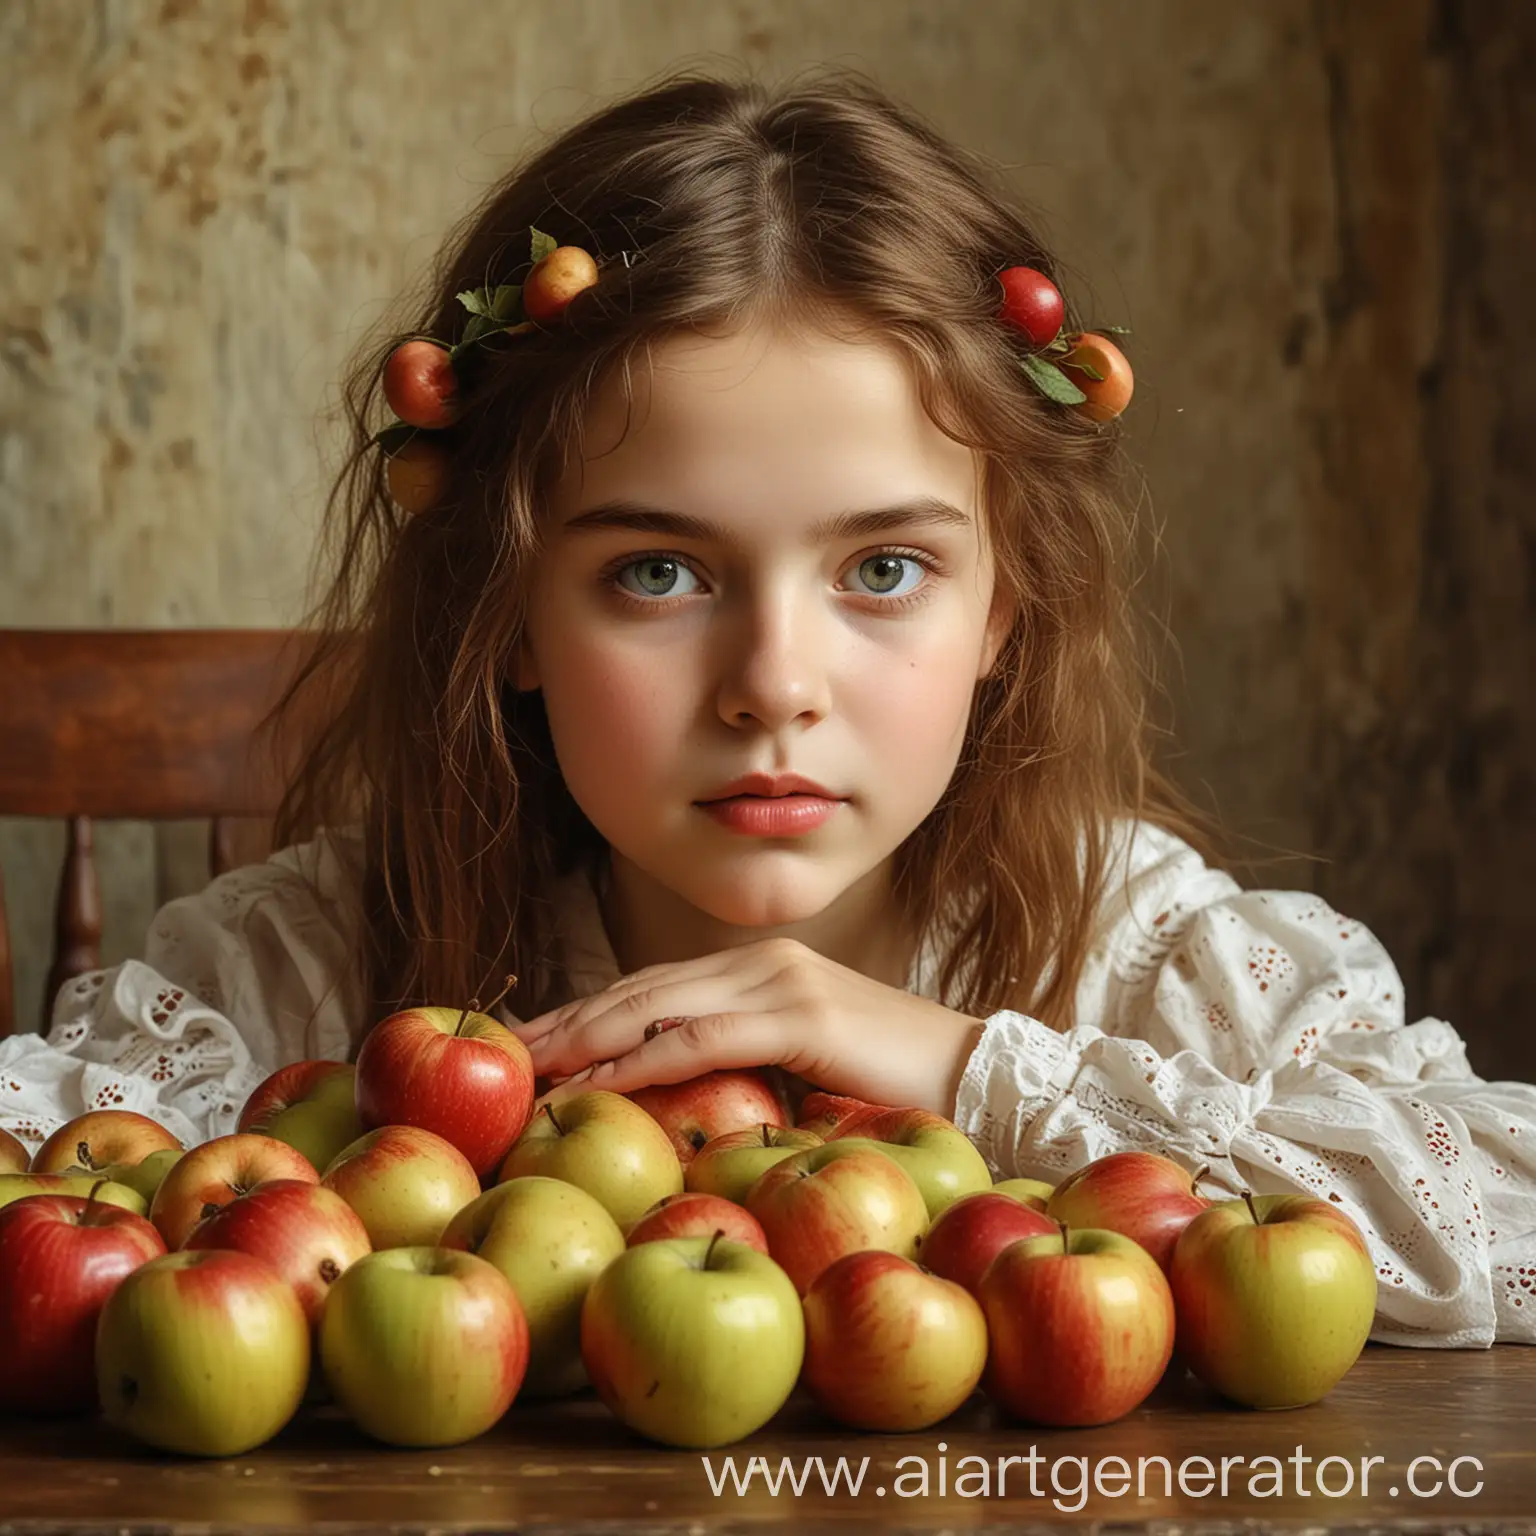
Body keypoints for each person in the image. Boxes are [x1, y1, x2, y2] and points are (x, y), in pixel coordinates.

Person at [2, 66, 1531, 1350]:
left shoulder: (1133, 947)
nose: (775, 687)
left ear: (1003, 609)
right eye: (659, 571)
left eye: (883, 567)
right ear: (511, 614)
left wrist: (951, 1063)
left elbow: (1505, 1206)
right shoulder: (323, 961)